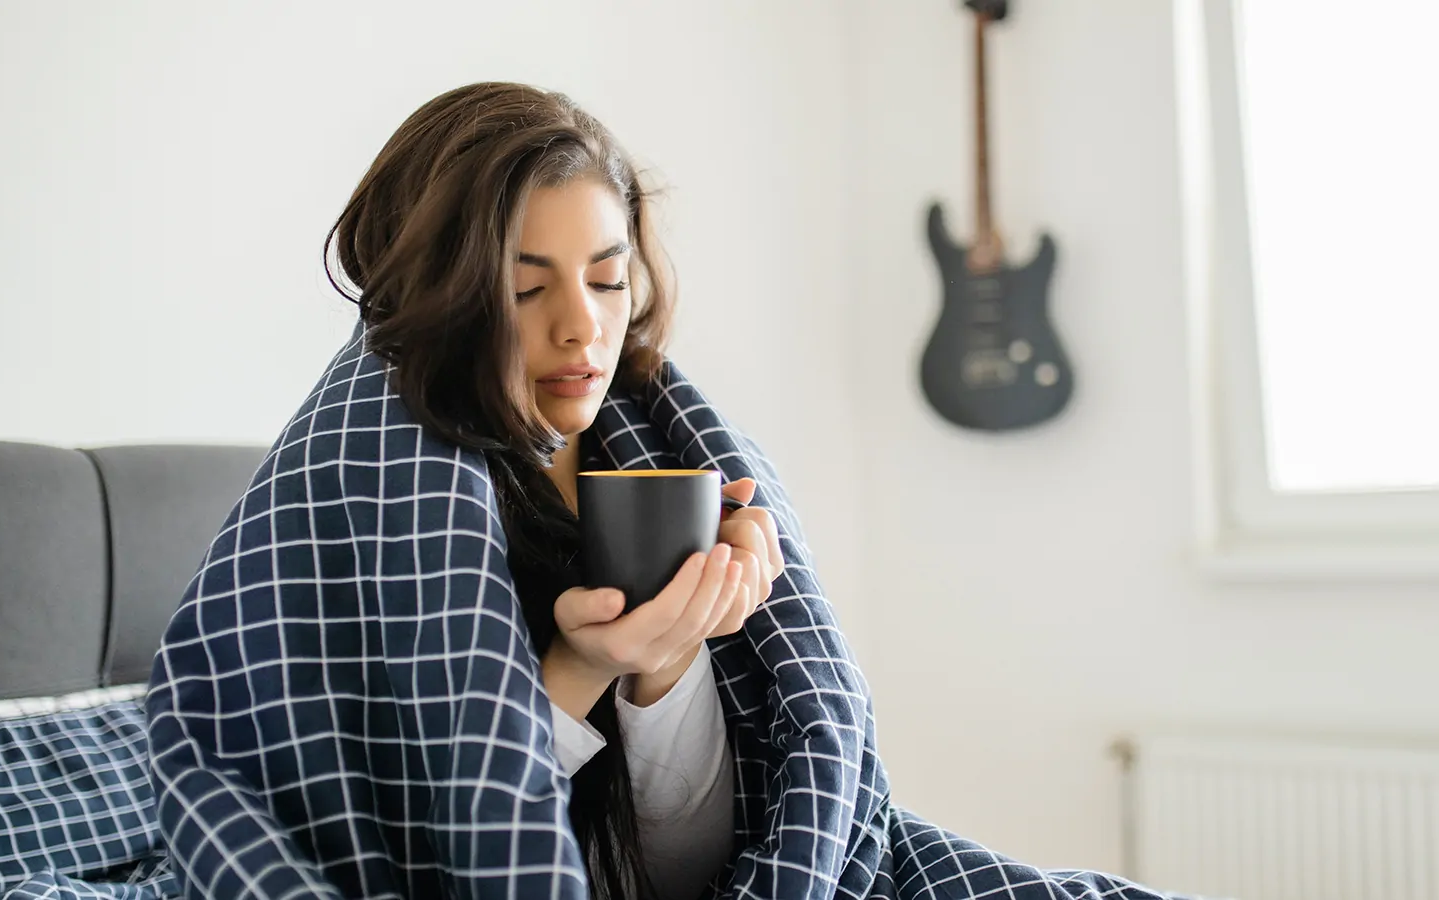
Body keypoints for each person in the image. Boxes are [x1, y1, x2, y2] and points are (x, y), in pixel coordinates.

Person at [146, 82, 1181, 900]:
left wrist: (668, 669)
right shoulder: (345, 495)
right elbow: (412, 855)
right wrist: (575, 669)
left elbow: (696, 871)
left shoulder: (661, 454)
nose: (582, 329)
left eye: (605, 278)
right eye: (523, 285)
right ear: (437, 292)